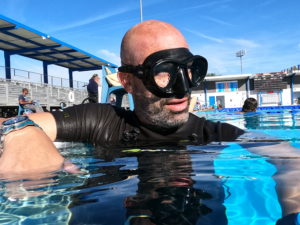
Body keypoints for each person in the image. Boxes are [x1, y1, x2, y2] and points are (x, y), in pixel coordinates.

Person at [0, 20, 299, 224]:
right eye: (163, 73)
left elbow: (287, 155)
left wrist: (292, 213)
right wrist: (22, 134)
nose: (182, 88)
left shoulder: (212, 132)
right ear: (128, 81)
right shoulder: (102, 121)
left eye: (189, 71)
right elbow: (17, 123)